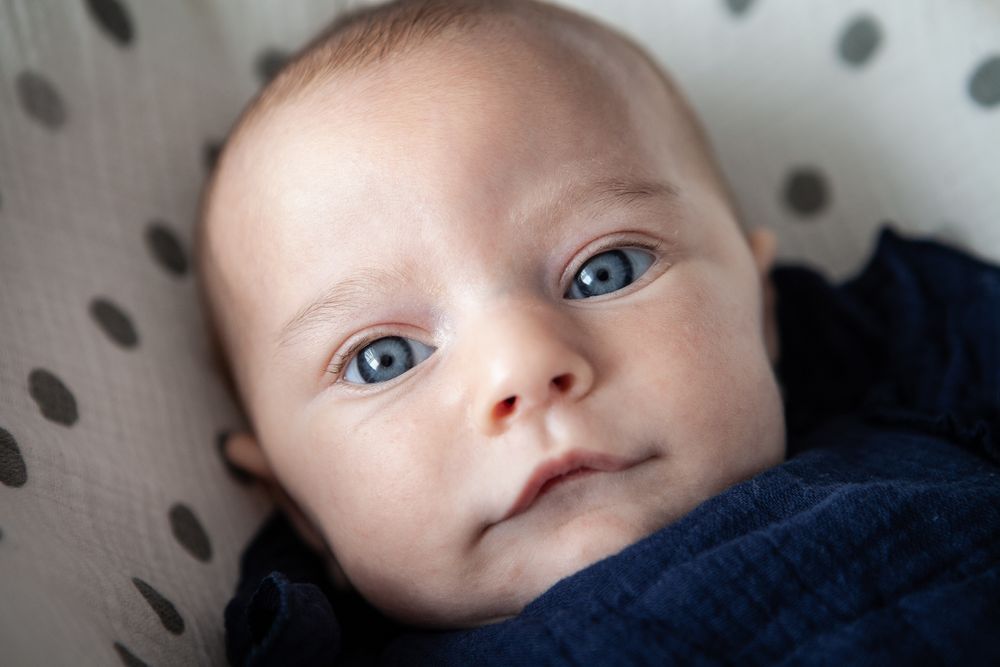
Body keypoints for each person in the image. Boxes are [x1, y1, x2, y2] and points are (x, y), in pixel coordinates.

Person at [196, 1, 1000, 664]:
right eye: (384, 358)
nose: (522, 368)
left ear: (761, 308)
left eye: (605, 270)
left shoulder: (930, 383)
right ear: (297, 507)